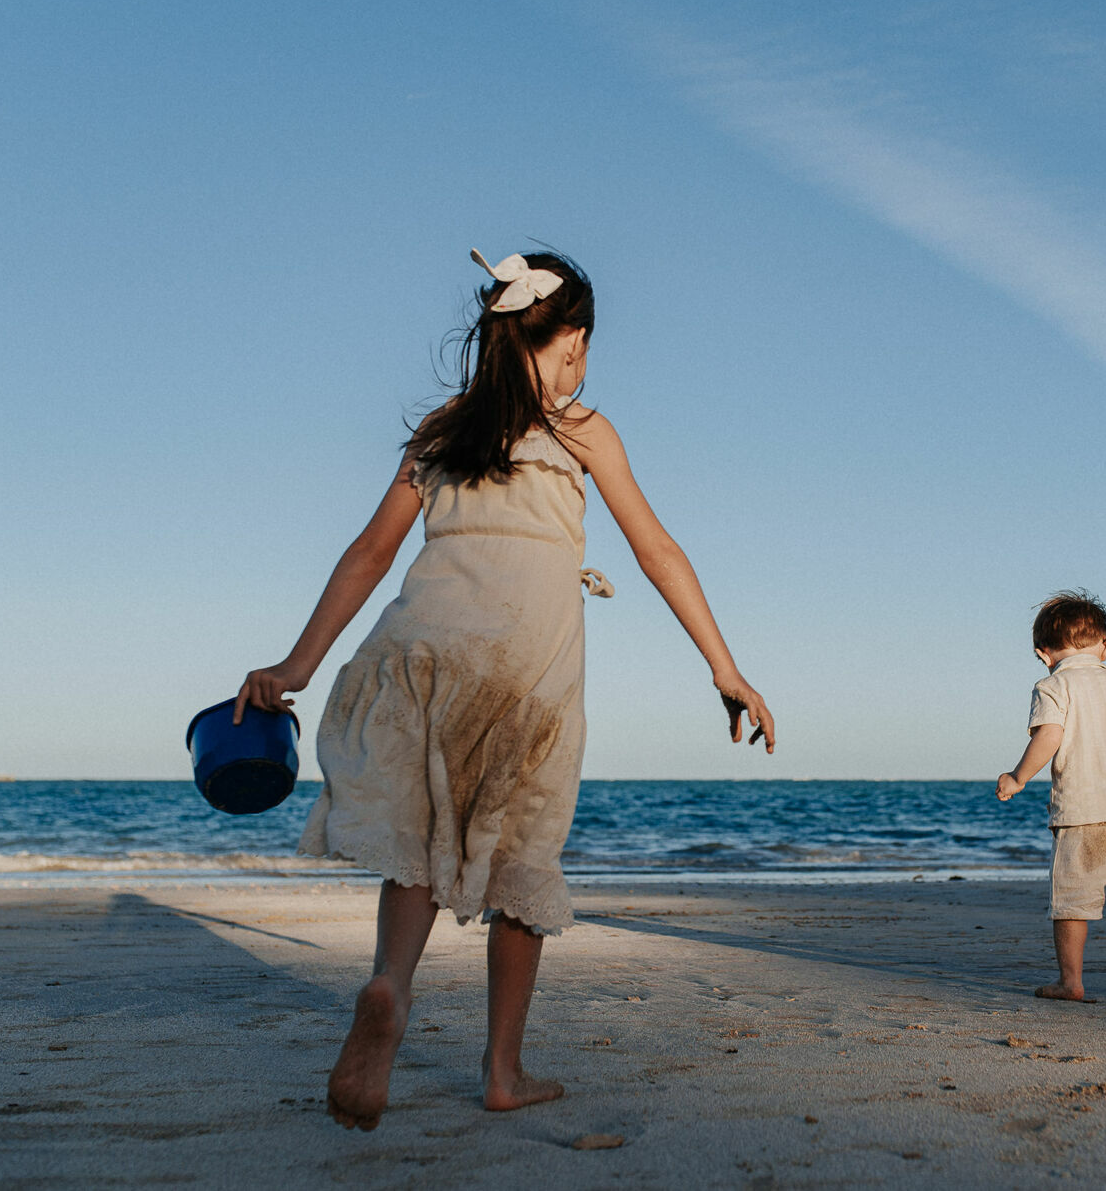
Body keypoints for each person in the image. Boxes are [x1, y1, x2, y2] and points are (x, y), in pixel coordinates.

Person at [234, 247, 775, 1130]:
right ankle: (501, 1068)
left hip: (421, 640)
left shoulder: (443, 428)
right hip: (527, 660)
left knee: (418, 835)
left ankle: (389, 986)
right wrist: (724, 664)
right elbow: (657, 550)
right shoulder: (583, 429)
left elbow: (372, 552)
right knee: (521, 856)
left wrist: (296, 665)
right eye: (581, 346)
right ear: (572, 341)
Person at [995, 590, 1106, 1001]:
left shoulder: (1052, 685)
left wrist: (1018, 778)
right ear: (1105, 646)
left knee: (1072, 902)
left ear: (1044, 653)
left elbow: (1049, 736)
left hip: (1084, 815)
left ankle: (1070, 981)